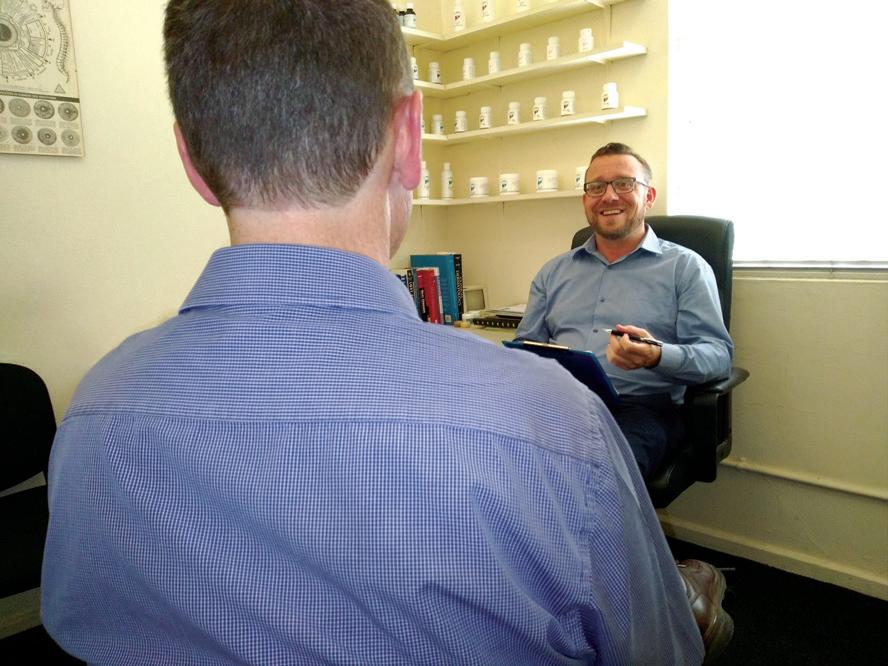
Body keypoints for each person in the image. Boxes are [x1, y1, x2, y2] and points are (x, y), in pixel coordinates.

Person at [41, 3, 709, 664]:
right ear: (410, 139)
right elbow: (661, 654)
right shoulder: (556, 426)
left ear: (190, 159)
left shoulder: (95, 409)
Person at [516, 142, 734, 480]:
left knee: (593, 477)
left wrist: (656, 355)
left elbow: (718, 356)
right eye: (596, 187)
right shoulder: (553, 272)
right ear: (585, 200)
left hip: (639, 408)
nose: (609, 196)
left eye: (624, 184)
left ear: (649, 196)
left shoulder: (685, 268)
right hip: (562, 401)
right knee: (485, 449)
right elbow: (525, 348)